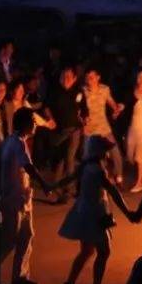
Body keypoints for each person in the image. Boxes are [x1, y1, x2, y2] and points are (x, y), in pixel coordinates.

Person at [56, 136, 135, 284]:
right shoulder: (98, 170)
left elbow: (68, 179)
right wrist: (128, 213)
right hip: (95, 214)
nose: (107, 153)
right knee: (104, 251)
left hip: (84, 212)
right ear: (99, 152)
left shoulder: (85, 166)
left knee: (87, 251)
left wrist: (50, 187)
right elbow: (113, 192)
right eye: (105, 150)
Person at [0, 108, 53, 284]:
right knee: (9, 238)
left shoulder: (13, 141)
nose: (36, 123)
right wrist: (45, 185)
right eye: (33, 120)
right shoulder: (17, 144)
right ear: (23, 124)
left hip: (21, 197)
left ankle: (20, 276)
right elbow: (28, 167)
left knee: (26, 235)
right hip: (13, 198)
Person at [80, 68, 125, 186]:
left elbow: (111, 102)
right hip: (89, 129)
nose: (89, 79)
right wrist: (82, 119)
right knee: (90, 157)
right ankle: (100, 180)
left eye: (92, 76)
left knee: (116, 153)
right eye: (87, 77)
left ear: (98, 77)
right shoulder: (83, 91)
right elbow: (78, 109)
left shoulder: (105, 89)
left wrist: (116, 109)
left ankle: (118, 176)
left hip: (104, 127)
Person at [46, 67, 83, 197]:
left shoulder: (78, 92)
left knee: (69, 157)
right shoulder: (55, 92)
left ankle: (69, 188)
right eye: (63, 76)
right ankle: (55, 184)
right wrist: (50, 119)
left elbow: (83, 108)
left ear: (74, 78)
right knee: (62, 157)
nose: (66, 79)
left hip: (74, 129)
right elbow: (46, 107)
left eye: (69, 76)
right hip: (60, 130)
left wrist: (84, 117)